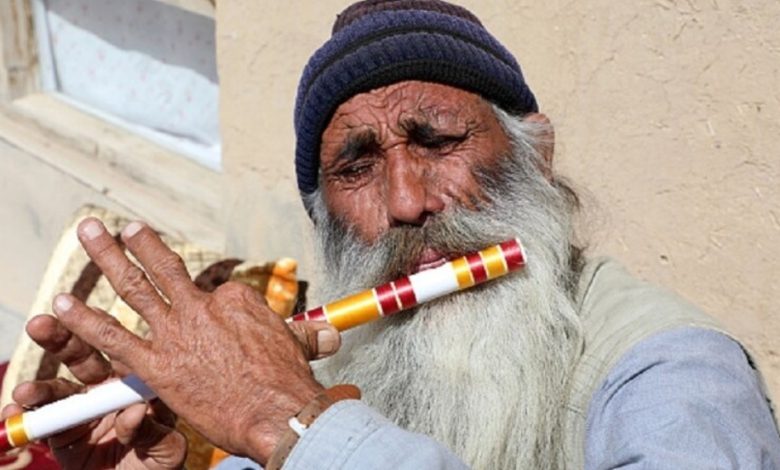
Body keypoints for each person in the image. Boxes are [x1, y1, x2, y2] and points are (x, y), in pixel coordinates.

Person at [3, 0, 779, 468]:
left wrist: (290, 423)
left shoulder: (670, 374)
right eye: (357, 166)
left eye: (437, 140)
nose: (407, 201)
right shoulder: (357, 358)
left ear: (537, 157)